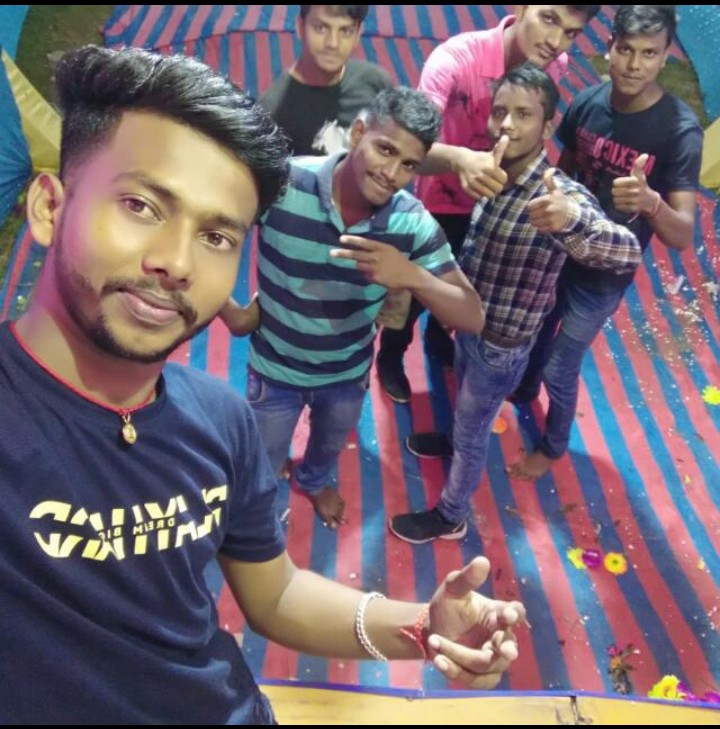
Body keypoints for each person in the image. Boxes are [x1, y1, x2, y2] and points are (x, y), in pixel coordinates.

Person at [0, 46, 524, 723]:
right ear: (50, 207)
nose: (176, 263)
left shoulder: (218, 420)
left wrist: (425, 627)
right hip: (278, 369)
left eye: (218, 237)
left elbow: (273, 594)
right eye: (140, 204)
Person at [389, 63, 642, 544]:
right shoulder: (492, 170)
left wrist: (570, 220)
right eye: (500, 111)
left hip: (501, 347)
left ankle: (451, 515)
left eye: (523, 114)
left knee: (473, 431)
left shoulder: (558, 195)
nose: (506, 124)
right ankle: (450, 438)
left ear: (547, 128)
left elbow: (626, 252)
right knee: (463, 406)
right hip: (470, 327)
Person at [222, 87, 484, 529]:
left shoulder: (411, 221)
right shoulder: (283, 183)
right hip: (274, 371)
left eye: (409, 165)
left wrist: (411, 275)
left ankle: (313, 481)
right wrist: (230, 311)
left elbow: (472, 317)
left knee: (328, 446)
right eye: (385, 150)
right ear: (358, 133)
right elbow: (203, 232)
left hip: (346, 376)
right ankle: (263, 499)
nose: (391, 174)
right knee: (261, 462)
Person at [507, 5, 703, 481]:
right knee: (535, 332)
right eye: (626, 50)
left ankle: (553, 445)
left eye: (649, 54)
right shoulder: (587, 103)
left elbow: (682, 234)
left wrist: (652, 203)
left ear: (665, 57)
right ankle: (523, 391)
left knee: (560, 367)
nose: (634, 65)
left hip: (603, 277)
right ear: (609, 47)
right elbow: (566, 172)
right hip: (560, 255)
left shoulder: (679, 132)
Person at [375, 5, 602, 404]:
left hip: (496, 207)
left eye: (570, 32)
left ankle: (438, 340)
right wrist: (459, 159)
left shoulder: (556, 64)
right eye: (549, 19)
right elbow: (406, 149)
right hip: (436, 205)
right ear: (522, 9)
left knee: (467, 288)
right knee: (411, 293)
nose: (555, 42)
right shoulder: (454, 60)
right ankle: (390, 356)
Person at [261, 5, 392, 156]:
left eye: (345, 31)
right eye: (321, 28)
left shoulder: (376, 83)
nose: (333, 43)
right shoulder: (272, 111)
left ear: (358, 34)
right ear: (300, 27)